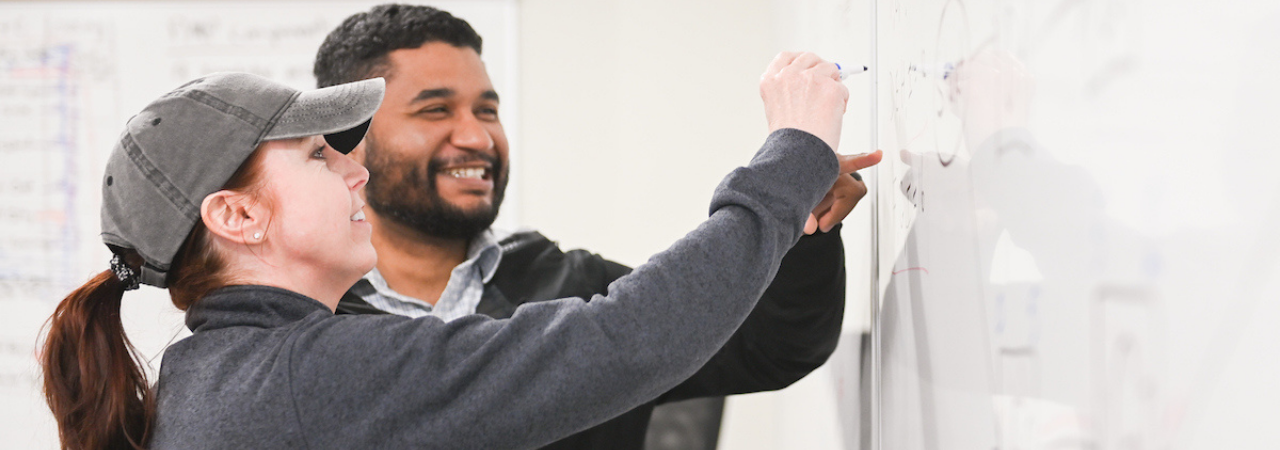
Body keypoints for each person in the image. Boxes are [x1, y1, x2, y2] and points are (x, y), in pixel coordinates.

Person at [40, 53, 880, 449]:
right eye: (317, 155)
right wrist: (793, 148)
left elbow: (740, 339)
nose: (354, 170)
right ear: (235, 216)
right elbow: (628, 339)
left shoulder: (213, 374)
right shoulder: (307, 374)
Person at [312, 5, 875, 449]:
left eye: (487, 110)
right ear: (350, 139)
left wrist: (804, 224)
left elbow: (773, 344)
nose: (478, 137)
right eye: (436, 110)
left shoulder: (574, 285)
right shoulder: (304, 322)